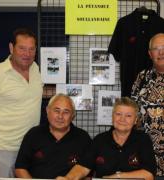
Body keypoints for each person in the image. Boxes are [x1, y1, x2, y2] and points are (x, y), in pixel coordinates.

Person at [0, 28, 43, 177]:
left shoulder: (35, 69)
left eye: (31, 49)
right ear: (11, 48)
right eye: (22, 48)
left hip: (31, 146)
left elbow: (31, 94)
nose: (27, 54)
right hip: (4, 148)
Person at [57, 97, 156, 180]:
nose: (122, 119)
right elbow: (83, 167)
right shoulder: (99, 140)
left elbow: (149, 174)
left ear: (135, 120)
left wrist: (116, 177)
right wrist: (68, 178)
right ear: (112, 117)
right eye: (118, 114)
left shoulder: (143, 140)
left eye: (128, 116)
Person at [15, 93, 92, 179]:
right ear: (47, 111)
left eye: (66, 112)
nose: (60, 116)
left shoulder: (83, 138)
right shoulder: (33, 134)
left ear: (73, 115)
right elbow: (20, 168)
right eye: (56, 110)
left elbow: (87, 173)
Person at [131, 33, 164, 179]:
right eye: (157, 48)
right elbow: (132, 111)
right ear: (150, 54)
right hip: (146, 160)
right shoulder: (142, 77)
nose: (161, 52)